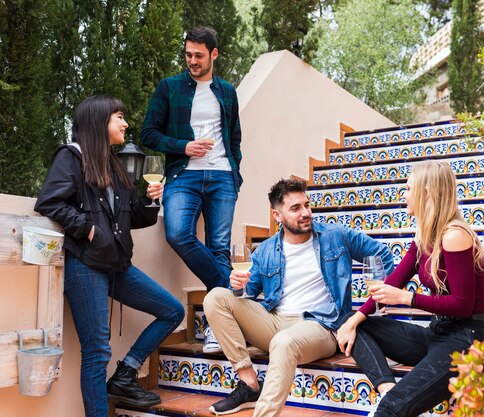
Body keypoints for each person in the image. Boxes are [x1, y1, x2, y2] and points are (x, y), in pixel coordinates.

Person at [35, 96, 185, 417]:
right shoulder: (72, 157)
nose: (125, 123)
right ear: (100, 120)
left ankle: (125, 373)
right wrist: (87, 229)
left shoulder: (113, 166)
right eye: (119, 116)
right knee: (97, 352)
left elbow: (134, 217)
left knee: (172, 310)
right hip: (85, 266)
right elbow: (49, 202)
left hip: (118, 266)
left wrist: (150, 200)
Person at [202, 178, 395, 417]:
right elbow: (248, 292)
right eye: (295, 208)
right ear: (277, 215)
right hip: (274, 322)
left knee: (284, 342)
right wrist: (238, 286)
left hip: (320, 325)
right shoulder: (265, 250)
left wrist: (383, 296)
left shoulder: (335, 235)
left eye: (306, 205)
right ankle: (250, 384)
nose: (305, 213)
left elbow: (381, 254)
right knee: (215, 297)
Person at [337, 160, 484, 417]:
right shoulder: (424, 238)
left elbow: (463, 305)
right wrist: (353, 320)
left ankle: (391, 403)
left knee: (390, 411)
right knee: (354, 323)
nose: (404, 195)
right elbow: (392, 282)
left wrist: (408, 299)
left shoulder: (454, 236)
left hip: (468, 337)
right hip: (437, 333)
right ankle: (387, 388)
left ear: (427, 193)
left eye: (409, 188)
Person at [141, 26, 242, 352]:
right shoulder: (170, 88)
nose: (192, 61)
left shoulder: (227, 91)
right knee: (178, 233)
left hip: (222, 177)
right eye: (188, 54)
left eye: (199, 55)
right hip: (183, 175)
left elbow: (235, 137)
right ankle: (228, 293)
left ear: (214, 54)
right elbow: (149, 134)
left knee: (219, 248)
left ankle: (218, 326)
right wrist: (184, 146)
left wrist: (234, 170)